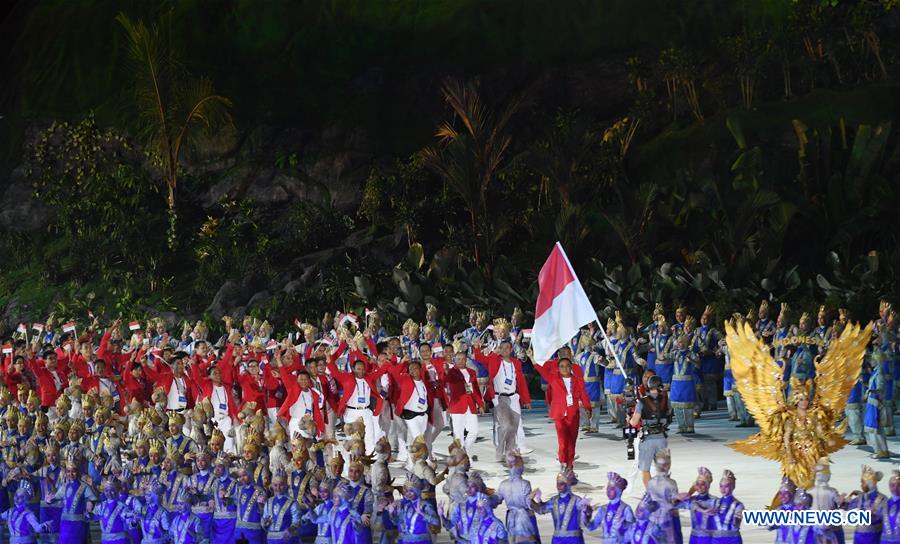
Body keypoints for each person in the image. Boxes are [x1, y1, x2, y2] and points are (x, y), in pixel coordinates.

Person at [472, 339, 531, 462]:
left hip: (513, 397)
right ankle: (499, 450)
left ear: (511, 350)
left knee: (513, 426)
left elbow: (521, 382)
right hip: (499, 397)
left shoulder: (516, 363)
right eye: (502, 347)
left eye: (507, 348)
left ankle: (509, 451)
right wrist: (477, 347)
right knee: (505, 425)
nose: (504, 350)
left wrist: (526, 399)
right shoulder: (494, 360)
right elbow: (479, 357)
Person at [532, 355, 591, 471]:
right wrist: (532, 358)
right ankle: (563, 464)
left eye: (567, 366)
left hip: (573, 414)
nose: (565, 369)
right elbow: (542, 370)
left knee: (572, 443)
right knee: (563, 443)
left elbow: (583, 394)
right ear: (558, 368)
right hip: (559, 415)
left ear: (571, 367)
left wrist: (588, 408)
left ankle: (570, 465)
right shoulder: (553, 378)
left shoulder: (577, 380)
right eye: (562, 366)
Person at [630, 375, 670, 487]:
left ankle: (650, 494)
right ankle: (663, 493)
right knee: (662, 470)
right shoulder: (665, 400)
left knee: (646, 469)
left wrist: (629, 418)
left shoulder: (642, 402)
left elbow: (634, 422)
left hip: (648, 440)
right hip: (662, 438)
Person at [532, 470, 590, 544]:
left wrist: (587, 511)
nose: (559, 486)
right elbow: (540, 510)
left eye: (562, 483)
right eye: (557, 483)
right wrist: (532, 500)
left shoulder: (577, 500)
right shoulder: (554, 500)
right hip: (557, 540)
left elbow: (586, 520)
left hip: (574, 540)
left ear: (568, 484)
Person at [495, 452, 540, 544]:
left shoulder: (503, 484)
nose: (523, 467)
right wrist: (533, 497)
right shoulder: (525, 484)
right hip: (524, 520)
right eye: (521, 464)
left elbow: (495, 500)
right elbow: (528, 504)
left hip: (511, 519)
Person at [445, 351, 485, 455]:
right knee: (458, 434)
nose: (461, 361)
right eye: (458, 359)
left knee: (474, 431)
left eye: (463, 359)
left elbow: (475, 389)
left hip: (470, 405)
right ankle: (462, 458)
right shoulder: (451, 372)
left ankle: (464, 452)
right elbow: (446, 379)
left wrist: (480, 404)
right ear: (455, 360)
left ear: (466, 360)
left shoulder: (472, 372)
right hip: (457, 406)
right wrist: (445, 371)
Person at [583, 471, 635, 543]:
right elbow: (591, 527)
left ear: (619, 491)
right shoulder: (603, 509)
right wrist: (586, 516)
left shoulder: (626, 509)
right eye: (607, 488)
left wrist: (624, 526)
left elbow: (633, 533)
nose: (608, 491)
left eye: (612, 489)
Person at [846, 465, 887, 544]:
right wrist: (847, 499)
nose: (861, 485)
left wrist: (875, 513)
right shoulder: (861, 497)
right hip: (858, 538)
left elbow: (887, 519)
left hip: (874, 538)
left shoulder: (882, 499)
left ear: (870, 483)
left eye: (863, 482)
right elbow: (847, 507)